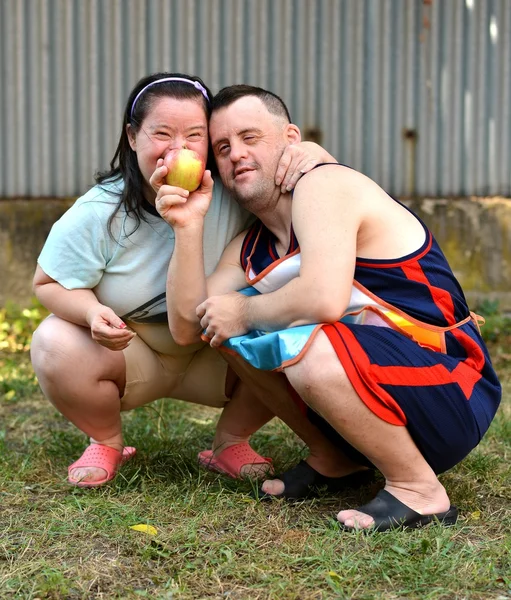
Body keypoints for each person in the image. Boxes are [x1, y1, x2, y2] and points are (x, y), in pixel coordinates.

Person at [152, 84, 501, 531]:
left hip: (452, 387)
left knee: (302, 340)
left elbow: (323, 298)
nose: (236, 153)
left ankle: (419, 490)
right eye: (223, 147)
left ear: (291, 140)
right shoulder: (250, 247)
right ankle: (334, 458)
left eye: (250, 137)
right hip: (387, 402)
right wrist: (187, 225)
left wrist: (243, 312)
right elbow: (188, 326)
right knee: (228, 330)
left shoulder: (326, 184)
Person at [30, 73, 337, 487]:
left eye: (194, 135)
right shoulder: (100, 211)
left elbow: (297, 179)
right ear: (133, 136)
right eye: (161, 133)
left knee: (292, 322)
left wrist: (312, 155)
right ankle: (105, 439)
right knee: (53, 342)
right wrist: (90, 312)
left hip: (218, 353)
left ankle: (231, 441)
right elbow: (48, 282)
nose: (178, 149)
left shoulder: (234, 189)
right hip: (131, 351)